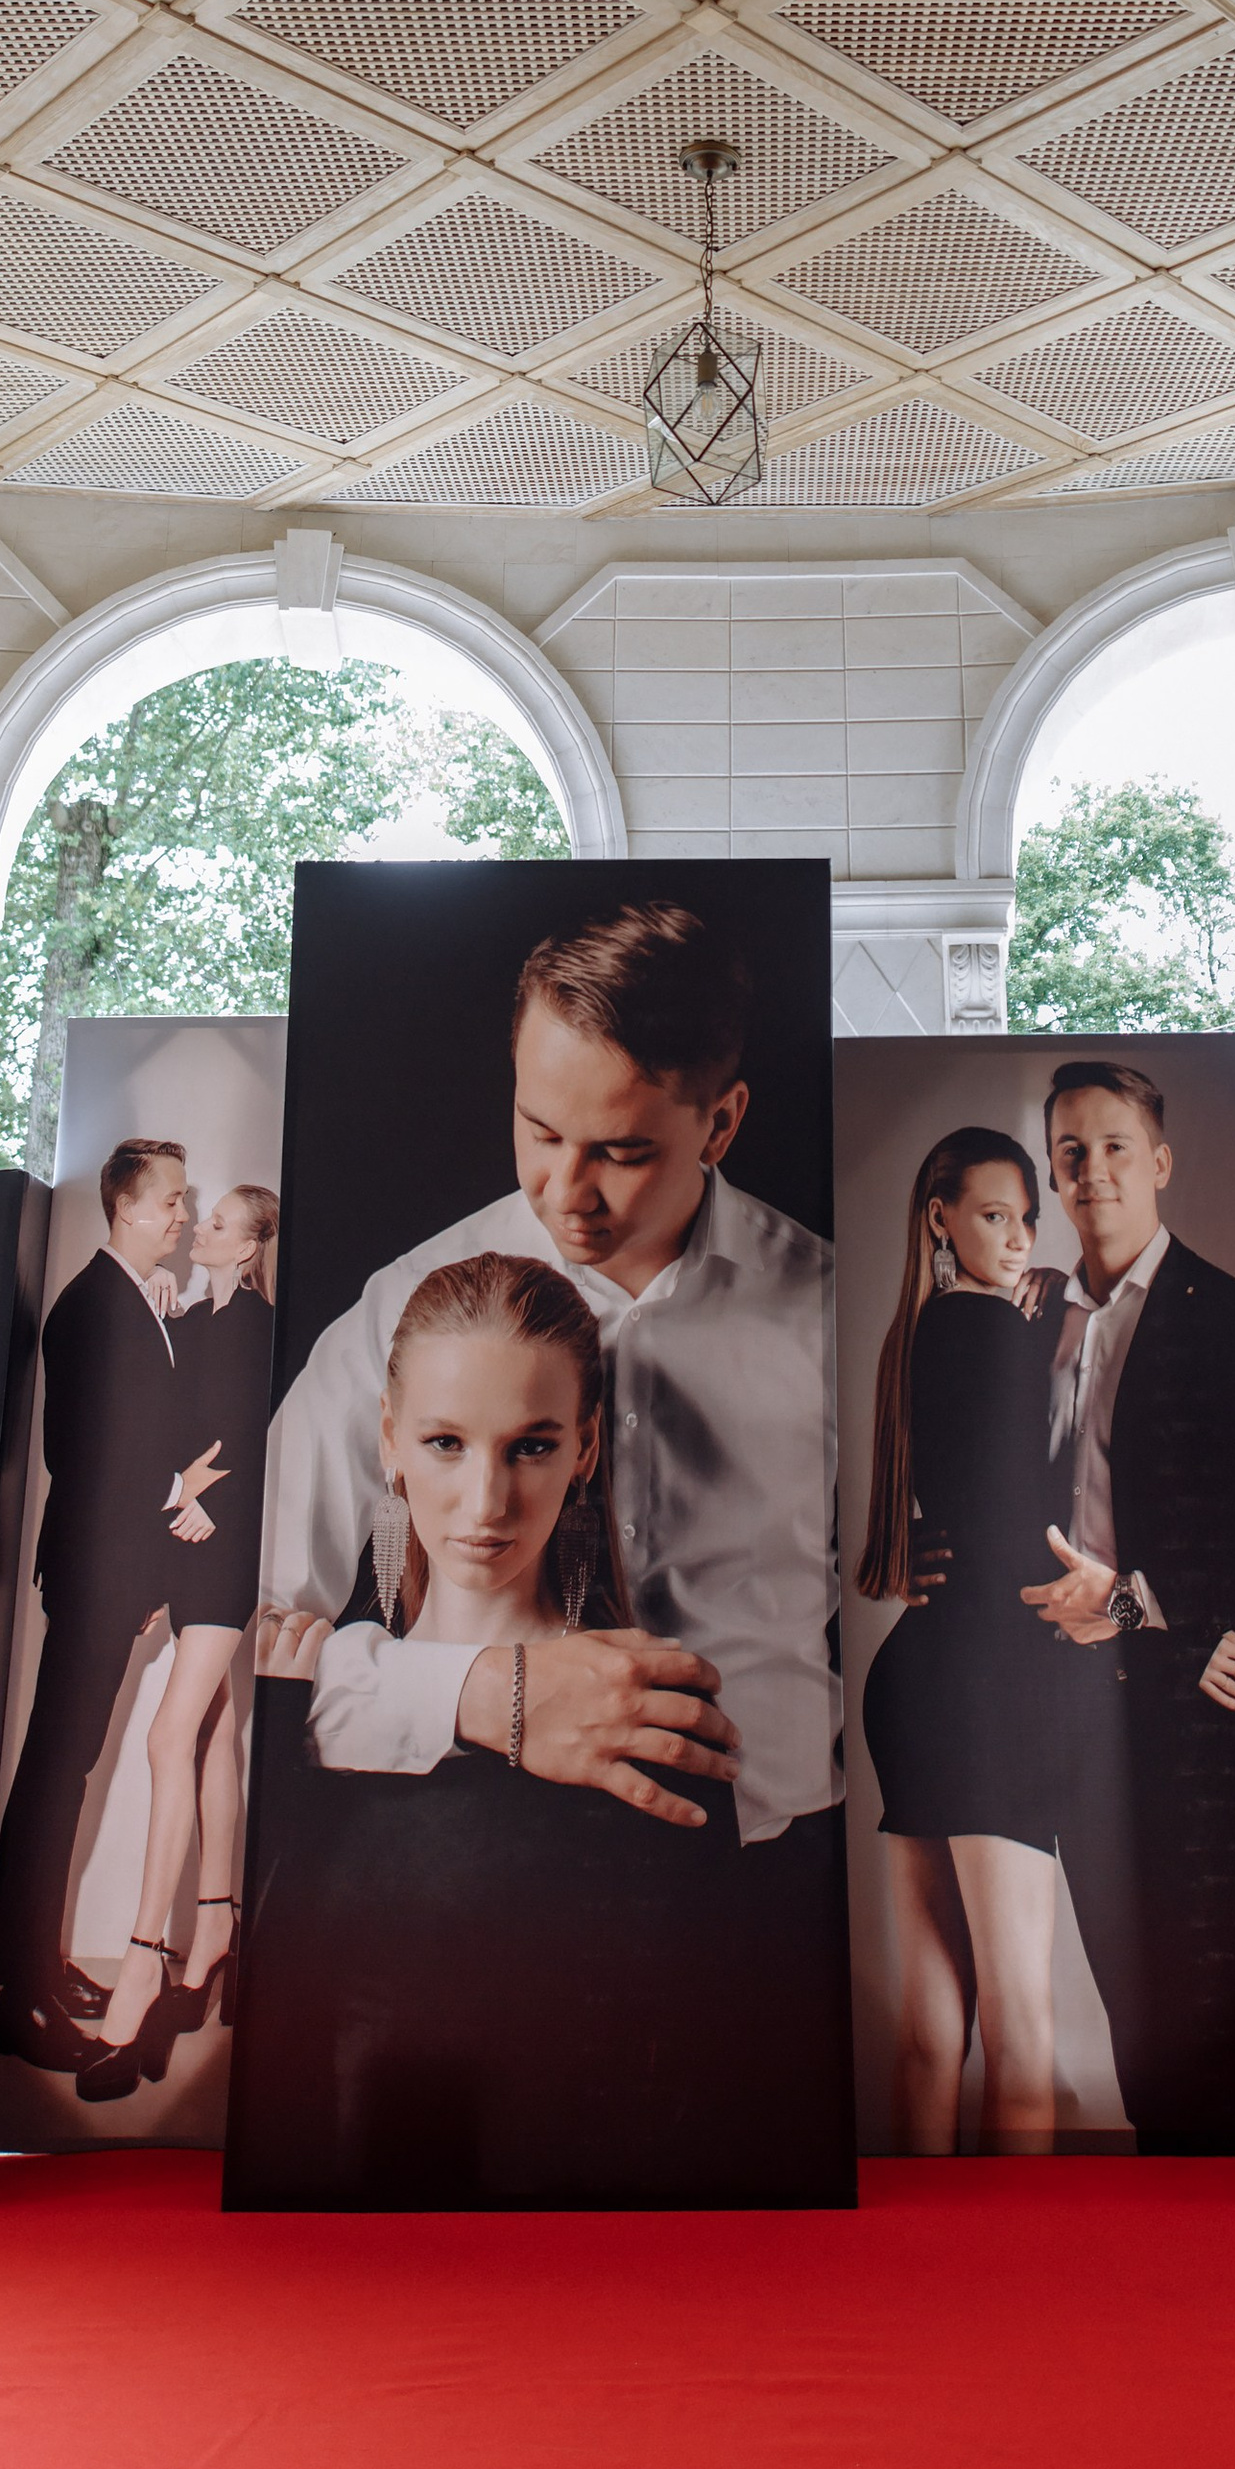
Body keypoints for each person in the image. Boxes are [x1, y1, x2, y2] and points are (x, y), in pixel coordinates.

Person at [256, 902, 845, 2193]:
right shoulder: (398, 1317)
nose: (566, 1195)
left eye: (623, 1152)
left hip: (772, 1907)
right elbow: (256, 1657)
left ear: (724, 1122)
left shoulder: (833, 1314)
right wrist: (480, 1692)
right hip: (469, 1890)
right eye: (537, 1132)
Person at [231, 1251, 736, 2205]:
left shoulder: (653, 1713)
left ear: (586, 1449)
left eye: (532, 1446)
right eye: (445, 1444)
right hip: (322, 2262)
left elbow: (683, 2093)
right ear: (388, 1441)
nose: (486, 1504)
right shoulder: (296, 1698)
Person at [1012, 1060, 1235, 2154]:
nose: (1092, 1169)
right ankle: (1183, 2296)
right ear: (1052, 1174)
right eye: (1070, 1150)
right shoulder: (1037, 1332)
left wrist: (1146, 1613)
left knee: (1224, 2037)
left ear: (1158, 1163)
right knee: (1146, 2046)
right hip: (1076, 1709)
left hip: (1214, 1704)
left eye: (1114, 1146)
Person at [0, 1139, 225, 2072]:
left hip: (107, 1572)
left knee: (65, 1770)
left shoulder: (131, 1300)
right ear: (125, 1205)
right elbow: (86, 1456)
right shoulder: (93, 1307)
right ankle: (17, 2001)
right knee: (57, 1772)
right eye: (171, 1198)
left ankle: (33, 1963)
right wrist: (174, 1496)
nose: (181, 1213)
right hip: (94, 1570)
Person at [855, 1126, 1066, 2153]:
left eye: (1028, 1219)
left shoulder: (920, 1329)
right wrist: (1054, 1311)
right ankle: (1018, 2291)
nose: (1019, 1238)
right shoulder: (994, 1329)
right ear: (939, 1216)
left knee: (931, 2034)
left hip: (917, 1672)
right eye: (994, 1216)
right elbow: (1028, 1521)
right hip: (990, 1679)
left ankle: (920, 2279)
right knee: (1025, 2037)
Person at [80, 1180, 279, 2099]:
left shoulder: (255, 1326)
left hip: (226, 1541)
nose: (200, 1227)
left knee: (171, 1734)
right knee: (208, 1736)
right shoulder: (197, 1319)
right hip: (192, 1542)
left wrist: (204, 1495)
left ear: (249, 1248)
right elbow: (170, 1422)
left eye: (221, 1224)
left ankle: (147, 1955)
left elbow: (249, 1433)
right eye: (201, 1217)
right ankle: (217, 1935)